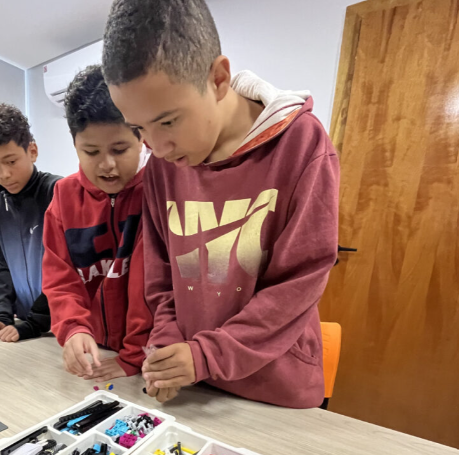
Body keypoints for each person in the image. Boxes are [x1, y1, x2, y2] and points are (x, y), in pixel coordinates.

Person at [102, 0, 340, 406]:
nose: (157, 147)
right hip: (194, 386)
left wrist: (208, 355)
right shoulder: (162, 165)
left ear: (218, 79)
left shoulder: (302, 144)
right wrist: (167, 346)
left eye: (168, 121)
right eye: (139, 127)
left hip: (274, 390)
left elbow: (299, 282)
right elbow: (162, 277)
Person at [42, 64, 152, 382]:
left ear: (141, 138)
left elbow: (151, 285)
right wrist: (73, 328)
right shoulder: (63, 196)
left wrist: (134, 355)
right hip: (98, 349)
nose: (107, 165)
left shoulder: (157, 189)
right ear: (75, 144)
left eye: (120, 149)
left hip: (150, 355)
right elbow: (60, 279)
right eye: (91, 152)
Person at [0, 103, 62, 342]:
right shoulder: (0, 200)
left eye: (11, 161)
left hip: (62, 325)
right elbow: (2, 266)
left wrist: (34, 324)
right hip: (28, 325)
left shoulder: (58, 192)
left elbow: (68, 268)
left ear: (32, 151)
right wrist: (3, 315)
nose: (3, 174)